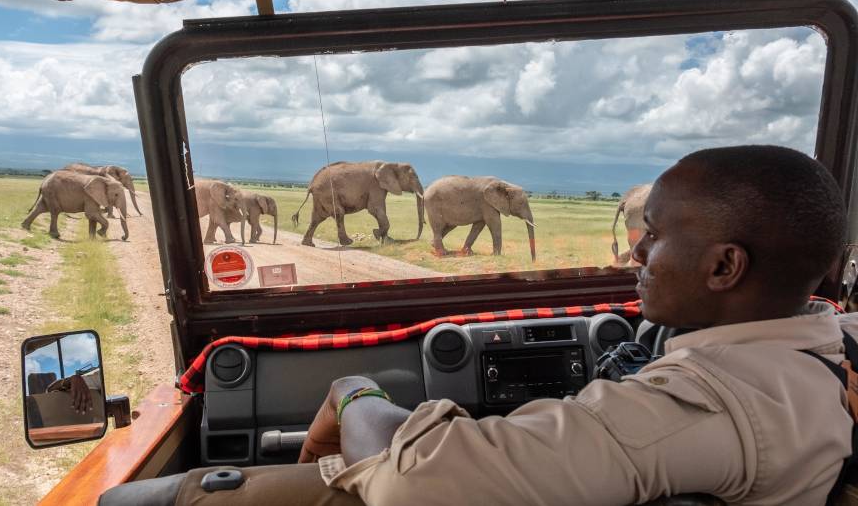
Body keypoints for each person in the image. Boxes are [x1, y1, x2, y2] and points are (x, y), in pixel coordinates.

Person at [300, 145, 857, 505]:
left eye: (655, 236)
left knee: (214, 489)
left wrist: (354, 392)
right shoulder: (837, 348)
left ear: (723, 267)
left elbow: (412, 481)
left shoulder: (695, 408)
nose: (636, 253)